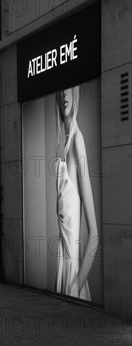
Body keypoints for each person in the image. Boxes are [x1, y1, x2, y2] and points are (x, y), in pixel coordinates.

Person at [54, 85, 98, 300]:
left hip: (72, 281)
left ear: (77, 93)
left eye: (70, 89)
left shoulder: (77, 142)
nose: (64, 94)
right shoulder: (64, 145)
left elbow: (95, 237)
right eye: (61, 89)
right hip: (62, 273)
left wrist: (75, 286)